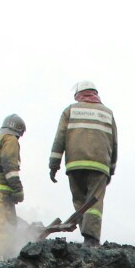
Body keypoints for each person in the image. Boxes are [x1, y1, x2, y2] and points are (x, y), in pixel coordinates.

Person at [49, 81, 117, 247]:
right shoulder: (108, 113)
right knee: (94, 203)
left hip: (75, 165)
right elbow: (114, 144)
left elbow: (60, 139)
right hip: (100, 166)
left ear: (79, 94)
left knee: (80, 201)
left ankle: (87, 237)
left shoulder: (70, 111)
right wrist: (112, 169)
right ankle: (91, 239)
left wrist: (54, 164)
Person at [0, 114, 26, 263]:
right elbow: (10, 165)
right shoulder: (10, 139)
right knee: (2, 226)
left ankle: (2, 258)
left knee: (6, 225)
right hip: (1, 190)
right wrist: (17, 189)